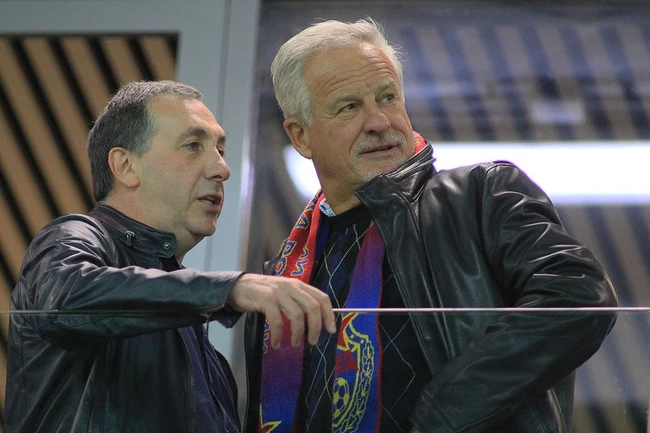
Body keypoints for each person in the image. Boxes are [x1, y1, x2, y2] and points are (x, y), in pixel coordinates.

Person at [243, 19, 617, 433]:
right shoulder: (282, 275)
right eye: (349, 107)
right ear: (301, 136)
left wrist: (444, 413)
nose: (379, 121)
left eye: (388, 97)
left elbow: (579, 293)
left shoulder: (480, 196)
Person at [5, 80, 336, 433]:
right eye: (193, 146)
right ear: (125, 166)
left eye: (221, 150)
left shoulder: (188, 325)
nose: (222, 169)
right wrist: (232, 288)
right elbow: (62, 299)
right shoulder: (73, 235)